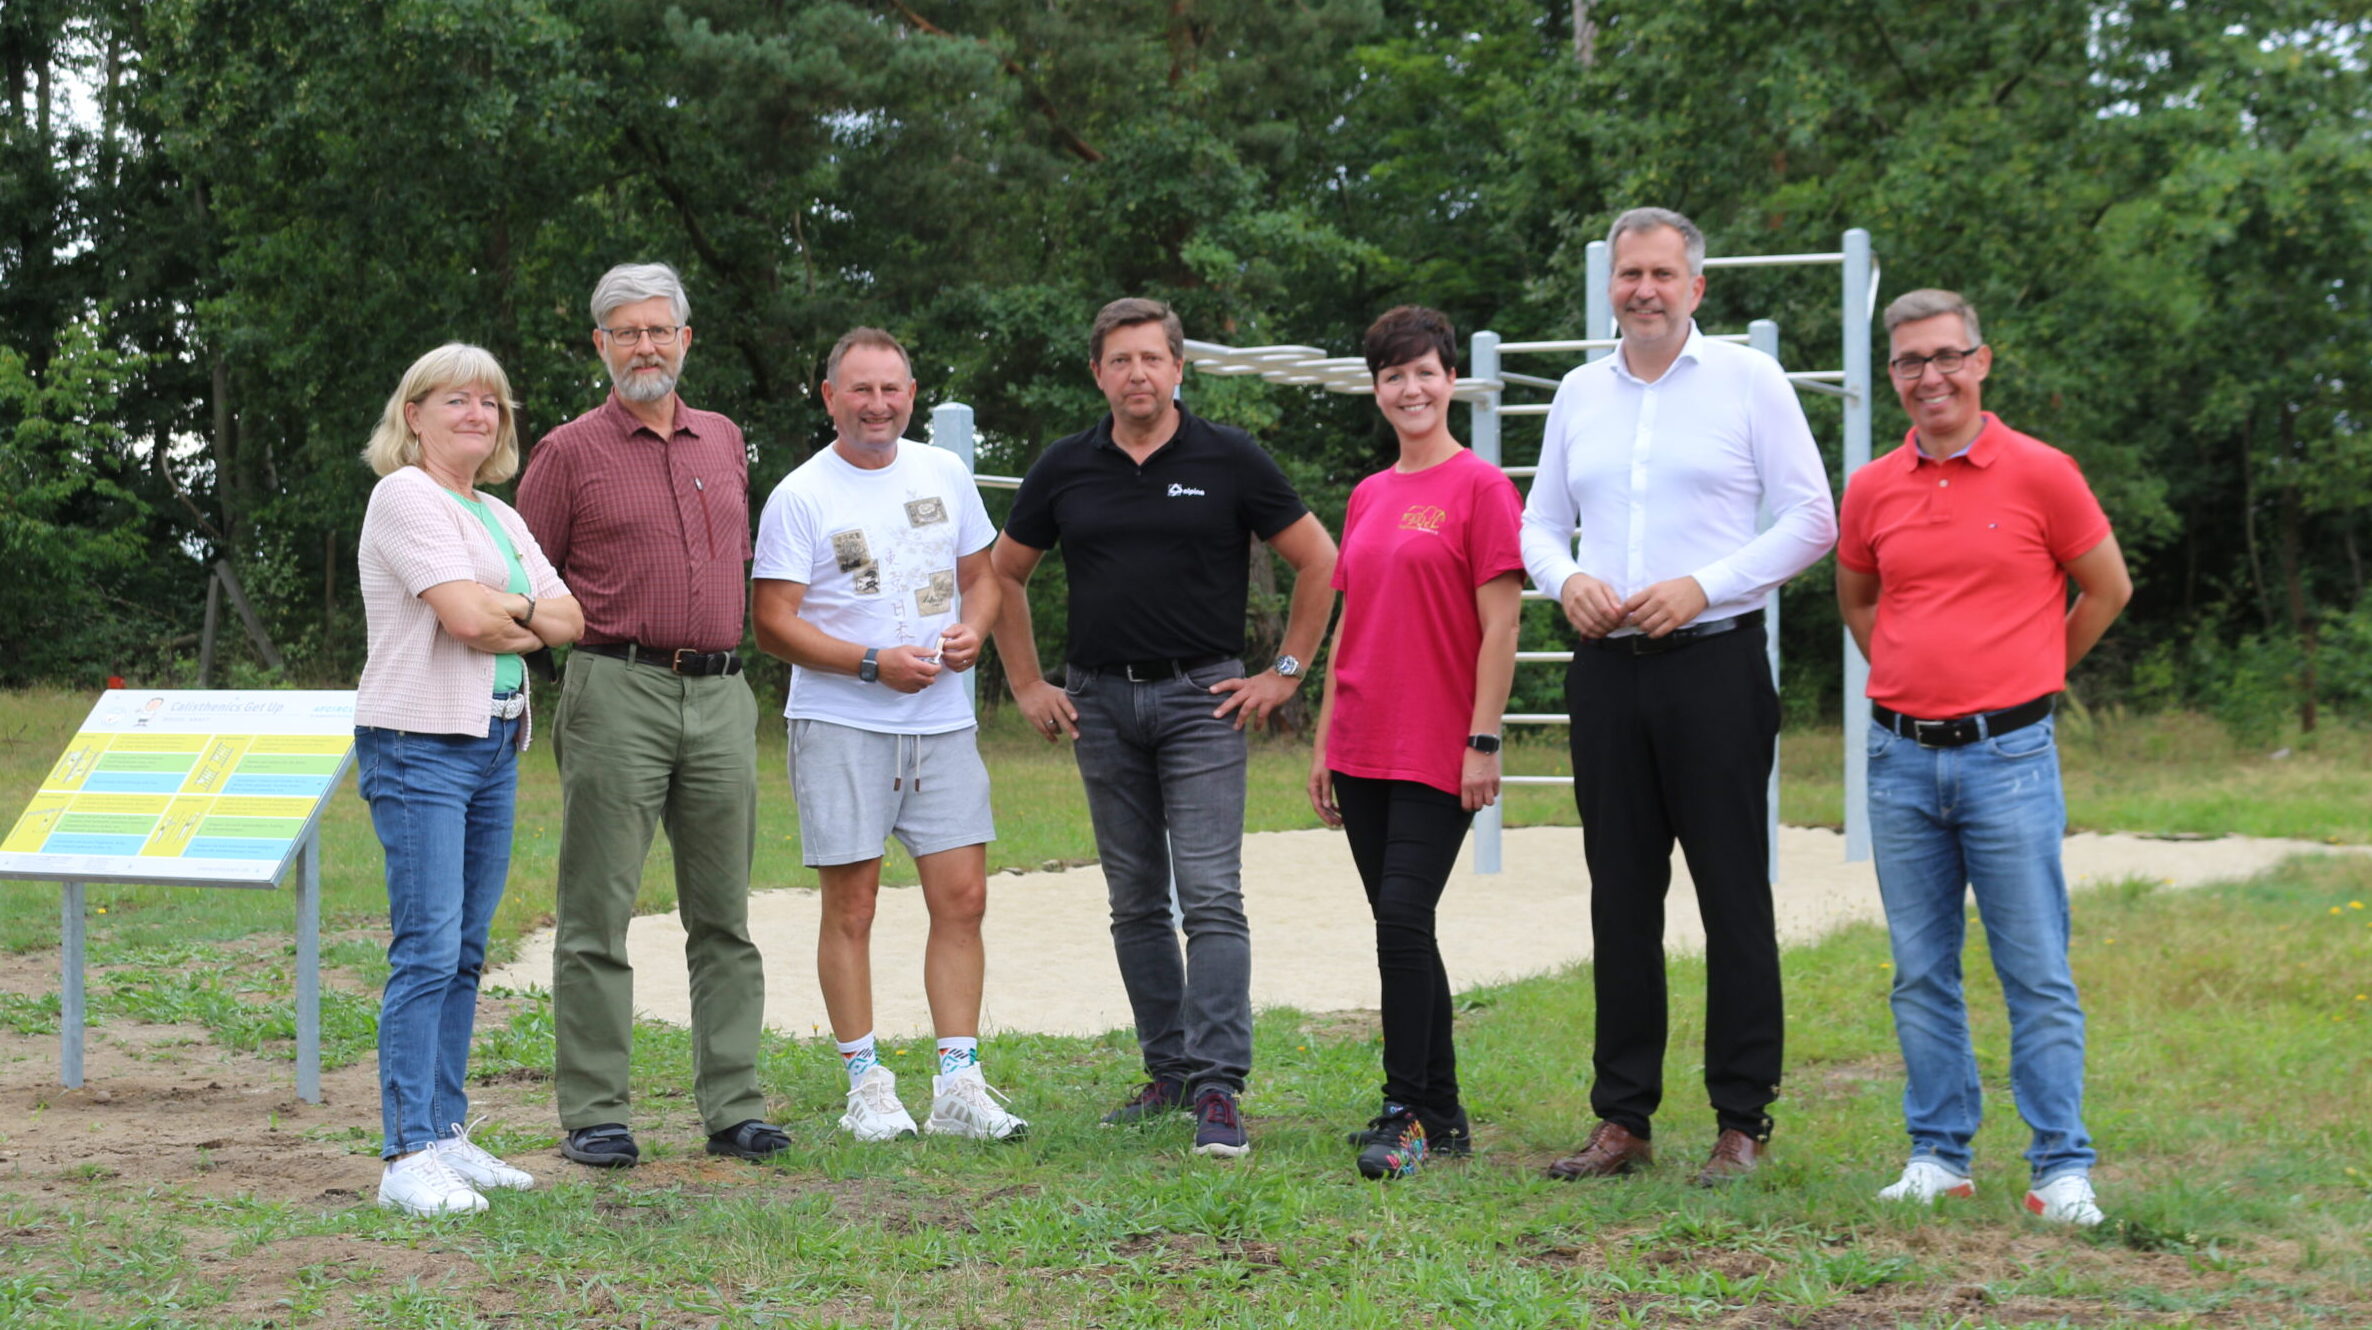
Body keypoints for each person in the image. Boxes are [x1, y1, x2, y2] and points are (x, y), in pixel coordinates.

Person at [1521, 207, 1837, 1185]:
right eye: (1628, 275)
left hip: (1713, 665)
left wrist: (1704, 584)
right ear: (1609, 287)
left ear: (1695, 287)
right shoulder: (1579, 391)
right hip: (1607, 674)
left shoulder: (1747, 379)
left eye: (1662, 274)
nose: (1643, 290)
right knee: (1619, 896)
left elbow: (1812, 519)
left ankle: (1740, 1120)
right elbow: (1537, 524)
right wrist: (1560, 578)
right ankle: (1622, 1118)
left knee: (1731, 895)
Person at [989, 297, 1338, 1157]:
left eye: (1152, 358)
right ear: (1098, 373)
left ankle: (1219, 1089)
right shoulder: (1066, 467)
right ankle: (1170, 1071)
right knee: (1135, 899)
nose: (1137, 373)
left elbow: (1321, 560)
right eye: (1121, 360)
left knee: (1212, 897)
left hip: (1202, 701)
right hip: (1101, 703)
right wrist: (1029, 682)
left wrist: (1285, 672)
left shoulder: (1228, 457)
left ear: (1179, 368)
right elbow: (1004, 574)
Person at [1838, 289, 2130, 1226]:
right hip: (1899, 760)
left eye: (1946, 356)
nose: (1931, 377)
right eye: (1910, 362)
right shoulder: (1873, 486)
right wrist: (1905, 676)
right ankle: (1938, 1156)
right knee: (1921, 970)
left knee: (2035, 967)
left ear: (1982, 360)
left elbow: (2106, 589)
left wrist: (2033, 675)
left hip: (2010, 758)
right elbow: (1858, 600)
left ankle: (2061, 1169)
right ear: (1893, 377)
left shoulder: (2044, 473)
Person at [517, 262, 788, 1167]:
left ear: (685, 340)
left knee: (725, 916)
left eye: (659, 330)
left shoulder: (723, 440)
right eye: (625, 332)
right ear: (600, 344)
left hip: (721, 694)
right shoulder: (566, 452)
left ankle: (735, 1106)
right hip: (615, 685)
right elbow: (527, 581)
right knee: (598, 912)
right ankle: (597, 1113)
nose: (645, 346)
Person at [751, 328, 1025, 1143]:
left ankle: (958, 1083)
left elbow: (983, 580)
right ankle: (866, 1082)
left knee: (963, 899)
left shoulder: (942, 472)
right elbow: (771, 622)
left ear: (911, 393)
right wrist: (871, 663)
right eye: (860, 390)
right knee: (854, 906)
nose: (878, 405)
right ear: (829, 396)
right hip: (843, 721)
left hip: (940, 723)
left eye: (892, 389)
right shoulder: (801, 494)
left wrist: (973, 632)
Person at [355, 343, 583, 1215]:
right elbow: (459, 617)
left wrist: (512, 614)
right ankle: (406, 1153)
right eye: (457, 401)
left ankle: (447, 1132)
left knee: (465, 950)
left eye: (491, 404)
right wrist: (515, 615)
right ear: (413, 414)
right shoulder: (404, 495)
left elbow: (569, 615)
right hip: (419, 744)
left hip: (491, 742)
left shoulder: (495, 511)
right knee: (426, 948)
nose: (478, 417)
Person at [1307, 307, 1523, 1180]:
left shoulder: (1481, 489)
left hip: (1439, 745)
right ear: (1377, 390)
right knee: (1405, 926)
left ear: (1450, 381)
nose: (1411, 388)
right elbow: (1351, 620)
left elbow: (1501, 625)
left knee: (1402, 916)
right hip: (1360, 741)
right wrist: (1323, 741)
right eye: (1394, 375)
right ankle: (1443, 1110)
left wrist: (1484, 738)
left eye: (1426, 372)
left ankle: (1406, 1111)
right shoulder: (1368, 494)